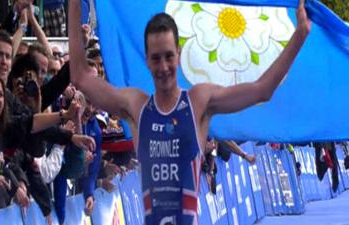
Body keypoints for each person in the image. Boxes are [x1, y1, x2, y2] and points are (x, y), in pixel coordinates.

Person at [68, 0, 311, 224]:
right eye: (156, 58)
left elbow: (262, 90)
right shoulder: (135, 106)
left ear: (180, 55)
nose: (163, 67)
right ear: (147, 61)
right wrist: (74, 5)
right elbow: (79, 76)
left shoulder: (199, 102)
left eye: (168, 57)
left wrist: (299, 36)